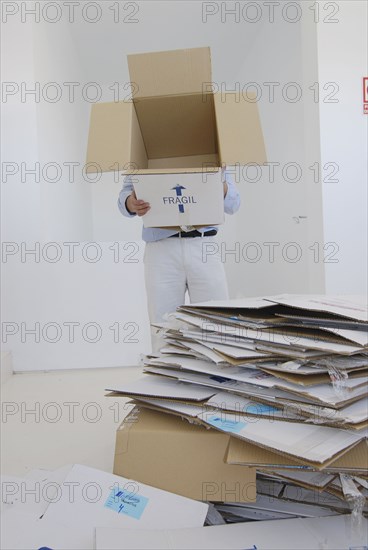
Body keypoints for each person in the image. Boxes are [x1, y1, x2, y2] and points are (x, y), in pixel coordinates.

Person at [118, 168, 240, 351]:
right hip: (161, 248)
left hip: (203, 245)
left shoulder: (213, 154)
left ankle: (216, 376)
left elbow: (234, 204)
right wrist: (130, 203)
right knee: (163, 325)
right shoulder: (146, 153)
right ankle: (167, 374)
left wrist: (216, 184)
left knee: (216, 320)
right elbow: (125, 198)